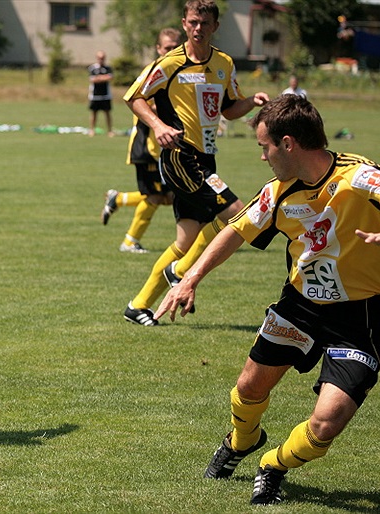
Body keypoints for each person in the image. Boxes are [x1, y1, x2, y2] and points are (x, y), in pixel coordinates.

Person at [155, 94, 380, 505]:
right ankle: (242, 441)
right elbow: (236, 231)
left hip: (361, 315)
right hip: (301, 305)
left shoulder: (357, 176)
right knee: (248, 387)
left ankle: (273, 465)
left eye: (264, 147)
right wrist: (190, 279)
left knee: (326, 425)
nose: (263, 157)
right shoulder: (278, 193)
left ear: (288, 143)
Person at [122, 0, 269, 325]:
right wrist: (158, 126)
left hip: (206, 157)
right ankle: (181, 271)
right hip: (180, 155)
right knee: (238, 214)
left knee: (185, 241)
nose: (198, 28)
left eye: (204, 23)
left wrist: (251, 102)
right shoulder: (170, 62)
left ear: (215, 26)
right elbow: (134, 96)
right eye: (192, 22)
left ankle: (138, 305)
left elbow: (229, 110)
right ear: (185, 24)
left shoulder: (224, 64)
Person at [101, 28, 181, 254]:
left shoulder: (178, 73)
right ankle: (129, 241)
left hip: (163, 148)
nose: (172, 51)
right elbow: (137, 103)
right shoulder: (154, 73)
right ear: (158, 49)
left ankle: (118, 199)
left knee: (167, 197)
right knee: (155, 197)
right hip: (148, 147)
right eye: (167, 47)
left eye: (176, 47)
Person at [88, 50, 114, 137]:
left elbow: (109, 77)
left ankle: (110, 130)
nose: (101, 60)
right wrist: (102, 78)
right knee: (94, 113)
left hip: (106, 95)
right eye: (99, 58)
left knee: (107, 113)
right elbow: (92, 79)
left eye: (102, 58)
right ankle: (92, 130)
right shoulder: (92, 68)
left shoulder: (108, 68)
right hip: (95, 95)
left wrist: (99, 78)